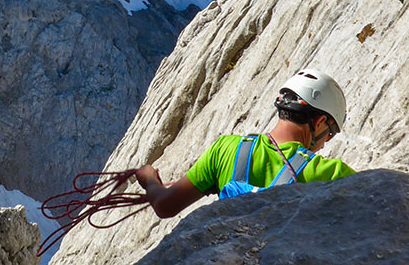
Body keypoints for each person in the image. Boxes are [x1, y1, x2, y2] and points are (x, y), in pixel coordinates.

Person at [135, 68, 355, 218]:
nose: (325, 144)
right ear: (319, 121)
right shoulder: (331, 174)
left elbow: (164, 206)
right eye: (330, 133)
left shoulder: (225, 149)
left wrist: (150, 181)